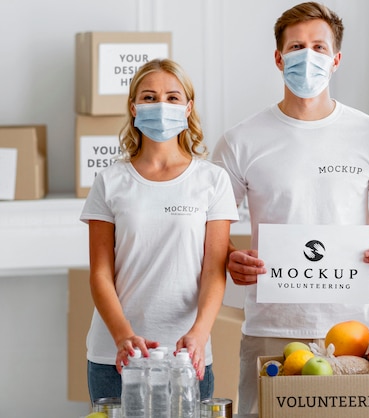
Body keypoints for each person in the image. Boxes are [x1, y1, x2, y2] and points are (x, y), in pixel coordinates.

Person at [211, 2, 369, 413]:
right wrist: (231, 257)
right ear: (278, 58)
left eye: (319, 47)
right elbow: (211, 227)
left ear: (336, 60)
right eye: (297, 46)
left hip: (356, 333)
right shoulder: (240, 141)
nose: (308, 56)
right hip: (270, 330)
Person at [80, 58, 239, 403]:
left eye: (172, 97)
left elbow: (214, 270)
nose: (161, 105)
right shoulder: (110, 181)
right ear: (134, 108)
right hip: (116, 358)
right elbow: (100, 274)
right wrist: (123, 337)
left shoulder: (212, 180)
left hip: (187, 357)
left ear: (188, 108)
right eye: (150, 97)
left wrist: (199, 333)